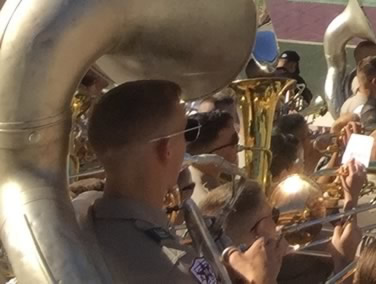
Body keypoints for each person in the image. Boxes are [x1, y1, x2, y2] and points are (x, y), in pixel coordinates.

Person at [80, 78, 283, 284]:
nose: (188, 144)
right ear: (166, 148)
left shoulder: (84, 209)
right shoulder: (174, 270)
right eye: (188, 131)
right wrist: (261, 278)